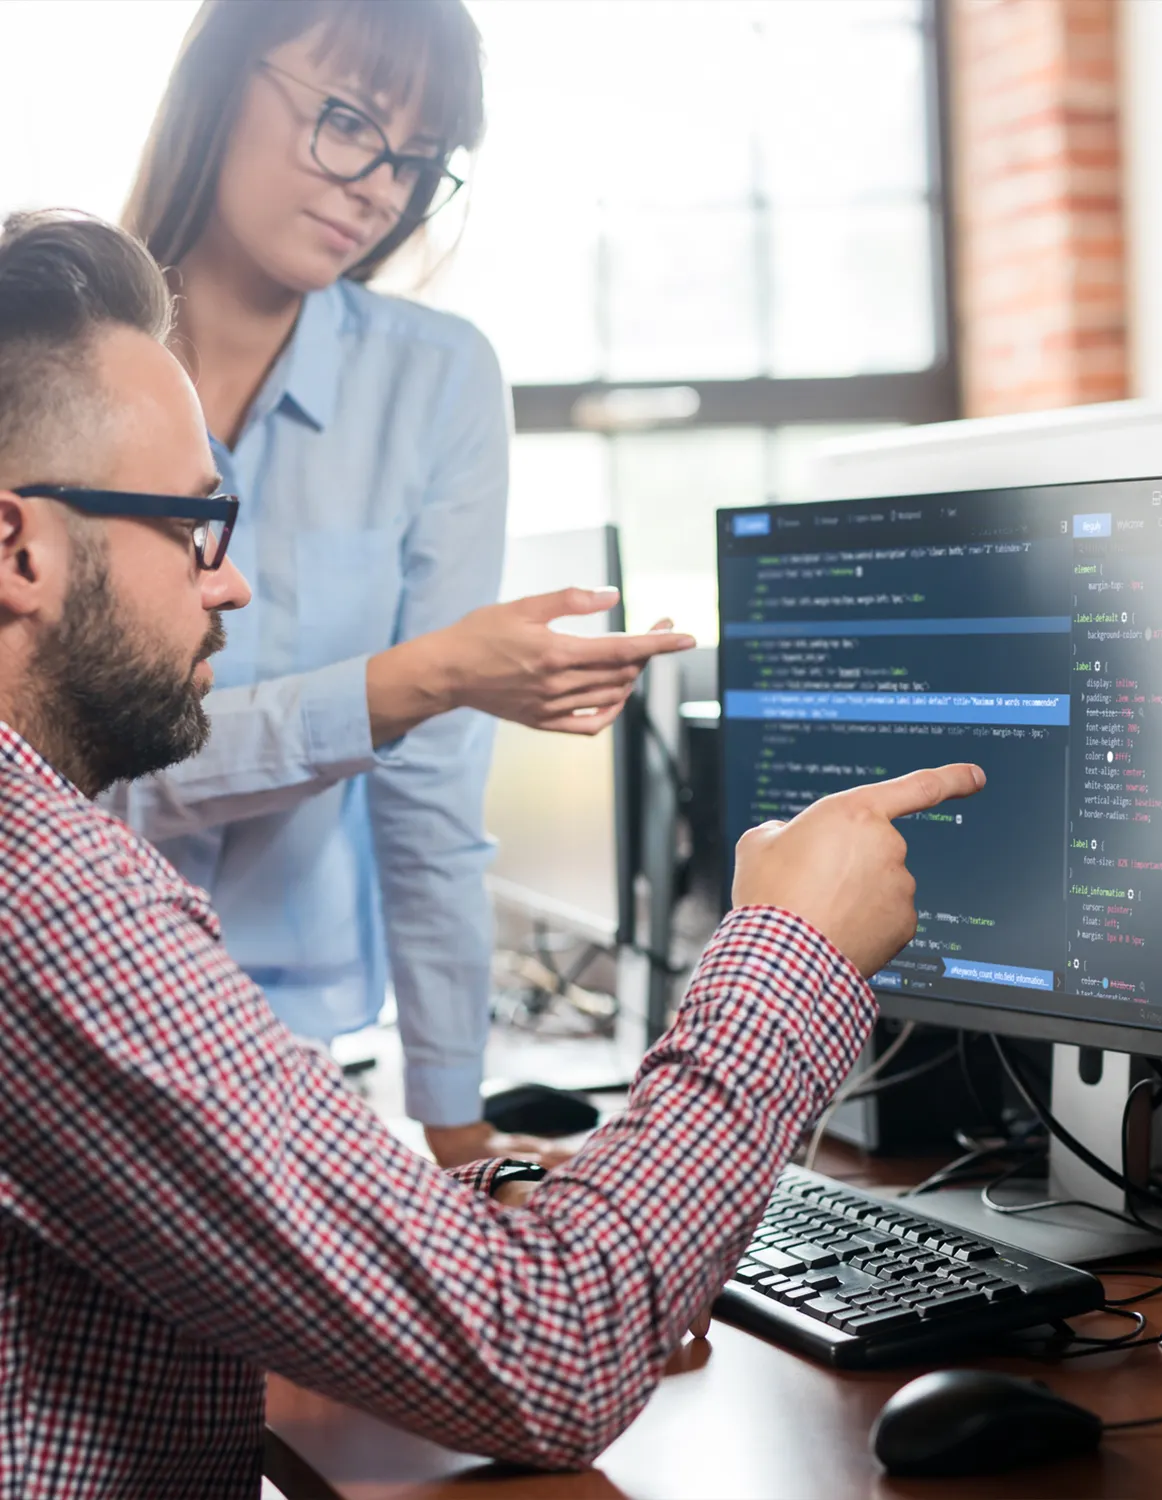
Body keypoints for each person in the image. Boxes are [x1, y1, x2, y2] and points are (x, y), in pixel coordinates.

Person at [0, 211, 984, 1497]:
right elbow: (548, 1353)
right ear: (16, 549)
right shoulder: (49, 894)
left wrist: (465, 1216)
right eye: (194, 526)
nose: (229, 586)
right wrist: (791, 950)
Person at [107, 0, 693, 1168]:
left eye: (420, 160)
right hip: (67, 1011)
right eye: (348, 122)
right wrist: (415, 679)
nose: (381, 186)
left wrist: (459, 1130)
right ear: (220, 80)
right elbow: (66, 780)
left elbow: (431, 794)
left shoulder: (437, 382)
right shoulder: (61, 359)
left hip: (286, 1051)